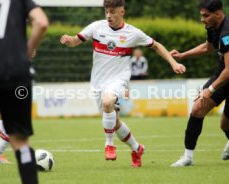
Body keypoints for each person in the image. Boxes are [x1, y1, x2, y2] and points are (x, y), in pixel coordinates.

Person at [60, 0, 186, 167]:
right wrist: (68, 40)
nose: (109, 15)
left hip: (119, 79)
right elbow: (76, 41)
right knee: (114, 120)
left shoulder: (132, 33)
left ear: (122, 12)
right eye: (106, 11)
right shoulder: (97, 27)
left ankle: (109, 145)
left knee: (107, 102)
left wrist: (173, 63)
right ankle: (137, 148)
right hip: (98, 81)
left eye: (113, 11)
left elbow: (156, 45)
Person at [0, 0, 48, 183]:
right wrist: (26, 51)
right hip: (17, 73)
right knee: (21, 142)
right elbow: (42, 22)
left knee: (7, 122)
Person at [170, 0, 229, 167]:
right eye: (201, 15)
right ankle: (187, 157)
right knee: (197, 108)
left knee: (226, 125)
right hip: (223, 75)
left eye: (205, 15)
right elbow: (207, 48)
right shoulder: (213, 27)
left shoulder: (228, 33)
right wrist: (183, 55)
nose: (202, 19)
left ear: (218, 14)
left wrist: (210, 89)